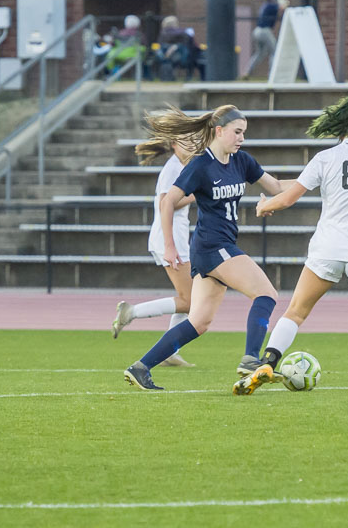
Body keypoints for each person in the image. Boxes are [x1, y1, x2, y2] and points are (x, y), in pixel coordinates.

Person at [236, 94, 348, 397]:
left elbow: (288, 197)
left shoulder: (324, 158)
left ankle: (269, 361)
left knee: (297, 311)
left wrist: (264, 207)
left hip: (326, 247)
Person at [122, 105, 294, 392]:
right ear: (219, 131)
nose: (242, 138)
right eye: (237, 132)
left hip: (215, 248)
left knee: (199, 322)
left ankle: (140, 368)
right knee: (266, 294)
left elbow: (276, 186)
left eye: (244, 133)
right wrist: (169, 245)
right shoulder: (201, 164)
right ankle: (251, 359)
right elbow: (167, 201)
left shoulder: (242, 161)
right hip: (213, 247)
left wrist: (315, 183)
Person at [110, 140, 197, 367]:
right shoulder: (173, 168)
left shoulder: (181, 166)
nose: (192, 145)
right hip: (171, 240)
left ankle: (170, 349)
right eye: (187, 141)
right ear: (175, 144)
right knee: (190, 301)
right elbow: (164, 204)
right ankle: (131, 312)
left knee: (189, 297)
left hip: (175, 238)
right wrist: (197, 195)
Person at [245, 0, 289, 78]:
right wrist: (282, 1)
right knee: (275, 52)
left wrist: (280, 1)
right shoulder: (271, 6)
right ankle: (272, 74)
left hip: (257, 31)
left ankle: (247, 72)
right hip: (264, 31)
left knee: (260, 53)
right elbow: (284, 6)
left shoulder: (266, 5)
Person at [154, 16, 195, 80]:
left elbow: (158, 45)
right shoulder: (183, 32)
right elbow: (189, 43)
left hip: (166, 55)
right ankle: (186, 75)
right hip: (179, 55)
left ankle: (168, 76)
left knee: (165, 60)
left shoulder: (163, 33)